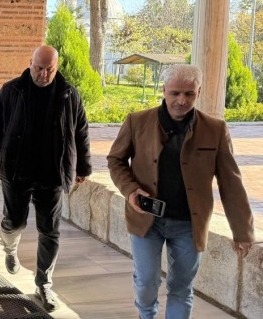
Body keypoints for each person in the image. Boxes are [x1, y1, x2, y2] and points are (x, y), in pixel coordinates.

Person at [107, 64, 254, 319]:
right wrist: (130, 190)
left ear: (199, 92)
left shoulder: (215, 129)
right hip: (146, 220)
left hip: (189, 223)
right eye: (175, 93)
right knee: (146, 282)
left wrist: (242, 230)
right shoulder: (137, 121)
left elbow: (231, 182)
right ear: (164, 90)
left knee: (181, 288)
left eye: (189, 94)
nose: (181, 100)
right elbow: (115, 160)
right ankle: (146, 315)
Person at [0, 45, 91, 312]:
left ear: (56, 66)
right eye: (39, 68)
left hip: (52, 173)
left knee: (49, 230)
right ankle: (10, 248)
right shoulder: (11, 90)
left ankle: (44, 284)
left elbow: (81, 131)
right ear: (30, 63)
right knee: (14, 222)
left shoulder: (69, 94)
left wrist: (83, 167)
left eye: (49, 69)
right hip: (16, 169)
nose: (43, 74)